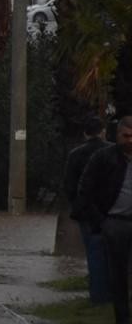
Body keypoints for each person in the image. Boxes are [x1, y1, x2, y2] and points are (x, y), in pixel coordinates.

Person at [75, 115, 132, 324]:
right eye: (126, 136)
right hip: (114, 223)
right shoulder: (103, 158)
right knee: (118, 274)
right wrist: (101, 221)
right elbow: (84, 191)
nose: (130, 141)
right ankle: (123, 322)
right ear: (116, 136)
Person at [65, 116, 112, 304]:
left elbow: (69, 186)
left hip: (87, 214)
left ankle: (98, 297)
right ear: (103, 131)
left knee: (94, 253)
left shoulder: (75, 155)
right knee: (114, 254)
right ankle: (113, 296)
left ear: (85, 134)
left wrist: (78, 206)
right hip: (113, 212)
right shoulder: (113, 151)